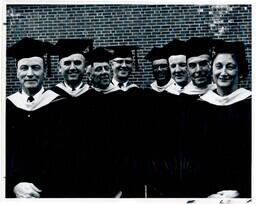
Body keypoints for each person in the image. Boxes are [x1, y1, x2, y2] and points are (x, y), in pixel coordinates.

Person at [6, 37, 61, 198]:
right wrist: (12, 185)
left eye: (36, 68)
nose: (30, 73)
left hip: (51, 192)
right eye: (24, 68)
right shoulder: (6, 107)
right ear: (17, 72)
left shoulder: (62, 106)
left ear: (44, 71)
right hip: (14, 193)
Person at [198, 41, 251, 198]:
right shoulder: (199, 107)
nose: (223, 72)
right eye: (218, 66)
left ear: (240, 70)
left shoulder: (250, 105)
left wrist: (241, 190)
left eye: (230, 66)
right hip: (207, 193)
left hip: (242, 193)